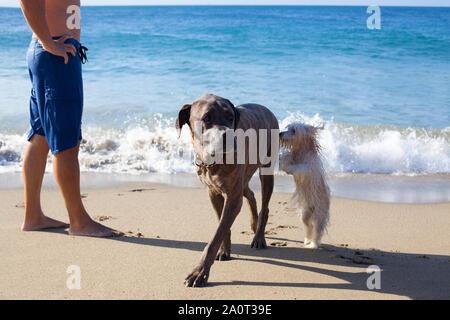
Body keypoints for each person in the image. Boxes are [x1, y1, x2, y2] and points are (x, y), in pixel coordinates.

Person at [20, 0, 122, 237]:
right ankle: (79, 222)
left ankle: (33, 216)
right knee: (67, 141)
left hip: (51, 52)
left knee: (41, 135)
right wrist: (47, 42)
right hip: (55, 53)